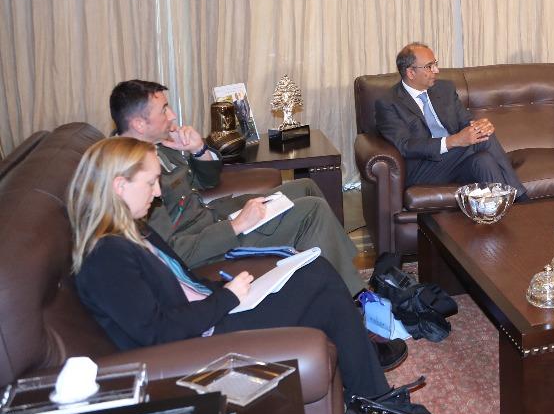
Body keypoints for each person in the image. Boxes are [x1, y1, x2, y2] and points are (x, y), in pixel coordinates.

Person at [69, 137, 390, 399]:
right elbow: (158, 332)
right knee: (321, 286)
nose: (157, 193)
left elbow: (184, 282)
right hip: (203, 343)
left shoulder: (134, 230)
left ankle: (371, 394)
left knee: (316, 272)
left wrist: (228, 289)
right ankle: (376, 397)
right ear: (119, 186)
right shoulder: (106, 257)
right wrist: (228, 298)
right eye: (151, 182)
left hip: (211, 316)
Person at [110, 80, 366, 298]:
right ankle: (354, 297)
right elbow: (176, 252)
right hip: (213, 244)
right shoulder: (132, 178)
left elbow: (208, 182)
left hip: (216, 217)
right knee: (313, 210)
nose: (173, 116)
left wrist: (197, 150)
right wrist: (236, 225)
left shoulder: (157, 147)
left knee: (306, 187)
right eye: (164, 109)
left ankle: (343, 275)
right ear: (139, 124)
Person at [374, 43, 527, 197]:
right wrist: (453, 141)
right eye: (429, 66)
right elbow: (405, 146)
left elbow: (465, 120)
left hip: (455, 159)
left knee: (483, 158)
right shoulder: (389, 102)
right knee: (483, 138)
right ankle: (520, 197)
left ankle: (499, 208)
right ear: (411, 73)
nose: (436, 70)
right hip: (423, 167)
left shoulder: (444, 89)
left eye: (435, 64)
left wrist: (479, 125)